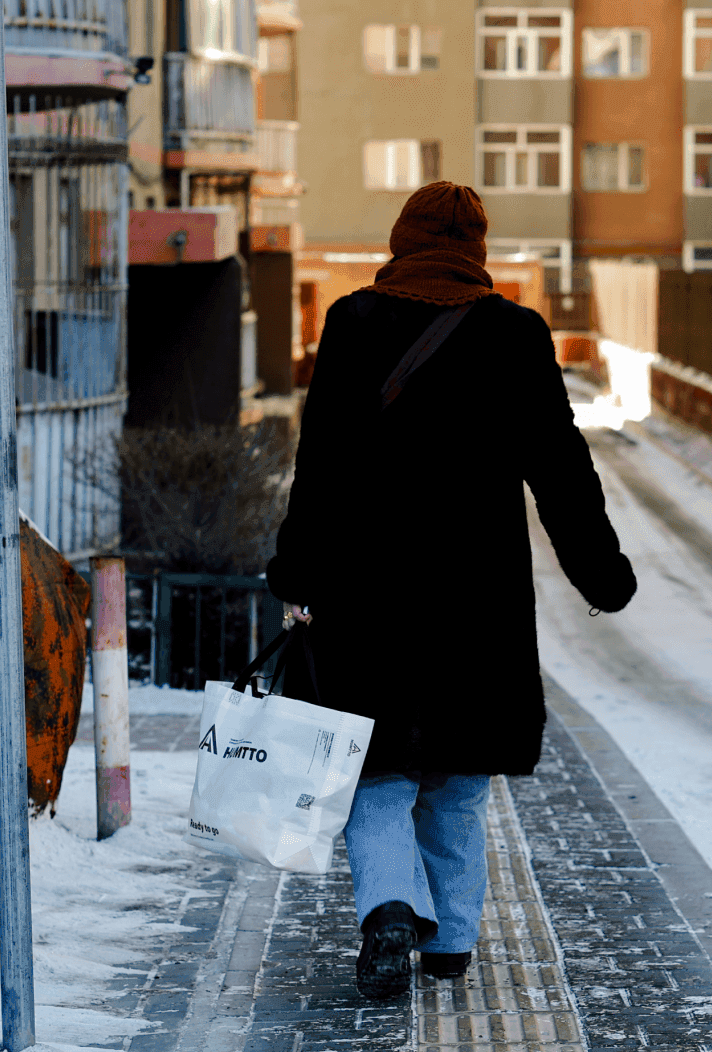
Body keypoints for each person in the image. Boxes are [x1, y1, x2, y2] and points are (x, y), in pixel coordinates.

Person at [265, 181, 636, 1000]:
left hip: (366, 598)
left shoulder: (353, 324)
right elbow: (561, 468)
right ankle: (452, 945)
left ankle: (391, 912)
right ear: (477, 252)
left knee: (379, 774)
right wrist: (600, 572)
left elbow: (318, 469)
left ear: (400, 242)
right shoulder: (516, 336)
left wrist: (295, 577)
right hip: (479, 605)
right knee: (460, 786)